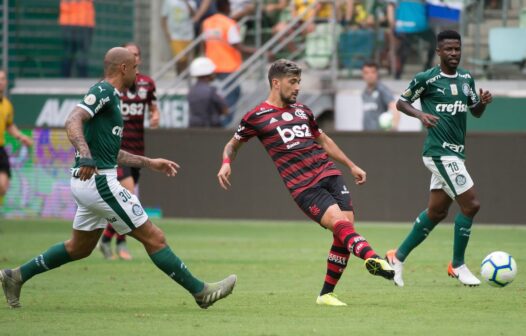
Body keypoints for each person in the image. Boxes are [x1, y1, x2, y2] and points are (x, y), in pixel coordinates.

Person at [0, 47, 236, 309]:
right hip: (99, 181)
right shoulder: (103, 91)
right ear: (123, 68)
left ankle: (16, 276)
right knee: (155, 238)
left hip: (90, 180)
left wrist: (149, 163)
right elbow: (72, 119)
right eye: (135, 67)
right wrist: (85, 154)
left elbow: (112, 153)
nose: (138, 72)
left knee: (79, 248)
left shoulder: (111, 96)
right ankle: (201, 292)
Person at [217, 59, 394, 307]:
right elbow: (233, 144)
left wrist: (351, 165)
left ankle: (326, 294)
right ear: (276, 83)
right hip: (304, 187)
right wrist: (227, 161)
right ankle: (371, 257)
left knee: (344, 232)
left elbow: (323, 140)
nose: (298, 87)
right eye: (293, 82)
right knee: (341, 225)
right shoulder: (256, 116)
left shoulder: (303, 110)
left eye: (299, 81)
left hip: (330, 174)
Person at [385, 30, 493, 287]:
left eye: (457, 49)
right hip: (439, 152)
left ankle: (396, 258)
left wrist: (483, 102)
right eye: (448, 49)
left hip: (456, 152)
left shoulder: (466, 77)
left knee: (436, 212)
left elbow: (475, 111)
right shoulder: (427, 79)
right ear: (439, 52)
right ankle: (457, 264)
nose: (453, 53)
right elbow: (402, 103)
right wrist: (420, 115)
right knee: (472, 204)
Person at [98, 42, 161, 261]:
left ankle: (109, 239)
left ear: (139, 60)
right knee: (130, 195)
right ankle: (117, 242)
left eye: (135, 55)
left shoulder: (147, 84)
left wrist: (155, 116)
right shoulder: (109, 87)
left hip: (136, 150)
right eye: (129, 55)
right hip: (116, 150)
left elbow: (153, 107)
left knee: (127, 198)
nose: (132, 59)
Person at [202, 0, 256, 116]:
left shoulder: (207, 22)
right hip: (228, 66)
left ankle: (216, 118)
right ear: (226, 6)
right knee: (232, 94)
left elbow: (204, 43)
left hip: (211, 65)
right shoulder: (229, 23)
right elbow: (237, 45)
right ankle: (223, 123)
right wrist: (257, 51)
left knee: (218, 94)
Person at [0, 70, 33, 207]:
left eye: (2, 78)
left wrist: (21, 136)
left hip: (0, 149)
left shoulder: (7, 105)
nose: (0, 81)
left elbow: (9, 125)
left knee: (3, 186)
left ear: (6, 82)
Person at [188, 57, 229, 128]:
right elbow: (225, 110)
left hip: (193, 127)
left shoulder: (191, 91)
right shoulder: (211, 90)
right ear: (208, 73)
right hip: (211, 128)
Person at [59, 0, 95, 77]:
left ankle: (66, 78)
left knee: (73, 53)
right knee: (78, 53)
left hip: (75, 22)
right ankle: (79, 78)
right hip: (81, 22)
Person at [361, 61, 400, 130]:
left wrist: (394, 127)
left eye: (373, 72)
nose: (370, 75)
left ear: (377, 74)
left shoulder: (382, 90)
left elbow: (395, 107)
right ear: (363, 75)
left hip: (379, 136)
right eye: (366, 73)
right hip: (366, 135)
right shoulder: (364, 93)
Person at [161, 0, 196, 74]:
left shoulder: (191, 2)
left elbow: (194, 15)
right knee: (180, 59)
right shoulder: (169, 2)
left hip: (188, 35)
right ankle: (180, 76)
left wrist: (186, 3)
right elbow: (163, 18)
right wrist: (167, 34)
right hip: (175, 36)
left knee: (188, 60)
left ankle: (185, 78)